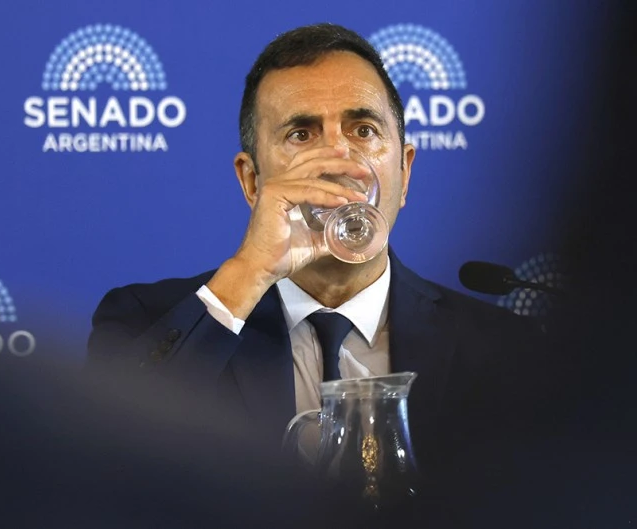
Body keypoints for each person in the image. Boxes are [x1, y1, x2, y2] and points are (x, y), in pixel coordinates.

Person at [86, 23, 556, 517]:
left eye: (363, 131)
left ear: (404, 172)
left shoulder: (504, 349)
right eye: (301, 134)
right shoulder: (143, 318)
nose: (338, 161)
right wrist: (250, 272)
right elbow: (105, 463)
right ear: (252, 182)